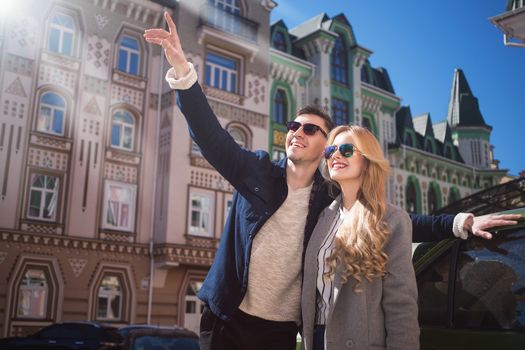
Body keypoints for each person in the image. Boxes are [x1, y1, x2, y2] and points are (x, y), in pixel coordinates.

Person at [143, 12, 521, 350]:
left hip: (279, 331)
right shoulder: (255, 170)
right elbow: (210, 136)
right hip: (226, 318)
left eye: (310, 129)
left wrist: (461, 222)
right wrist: (181, 70)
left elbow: (395, 222)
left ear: (326, 144)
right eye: (293, 125)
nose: (297, 132)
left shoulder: (329, 201)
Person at [301, 125, 418, 350]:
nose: (335, 155)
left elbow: (401, 305)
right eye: (330, 151)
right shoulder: (324, 218)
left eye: (346, 149)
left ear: (367, 160)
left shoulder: (392, 219)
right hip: (317, 340)